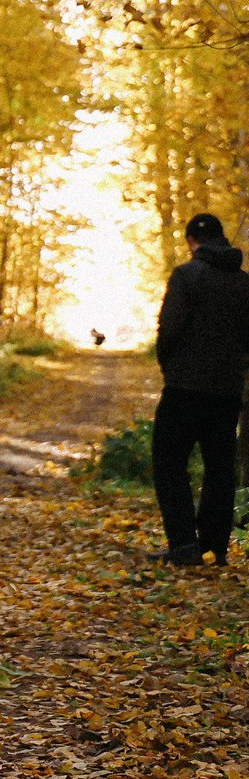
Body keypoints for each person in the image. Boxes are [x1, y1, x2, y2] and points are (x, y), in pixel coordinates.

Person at [152, 212, 249, 566]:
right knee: (220, 467)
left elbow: (169, 330)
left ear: (193, 241)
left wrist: (170, 370)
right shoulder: (244, 283)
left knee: (168, 459)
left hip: (184, 389)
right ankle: (214, 546)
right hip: (227, 391)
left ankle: (183, 544)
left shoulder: (185, 276)